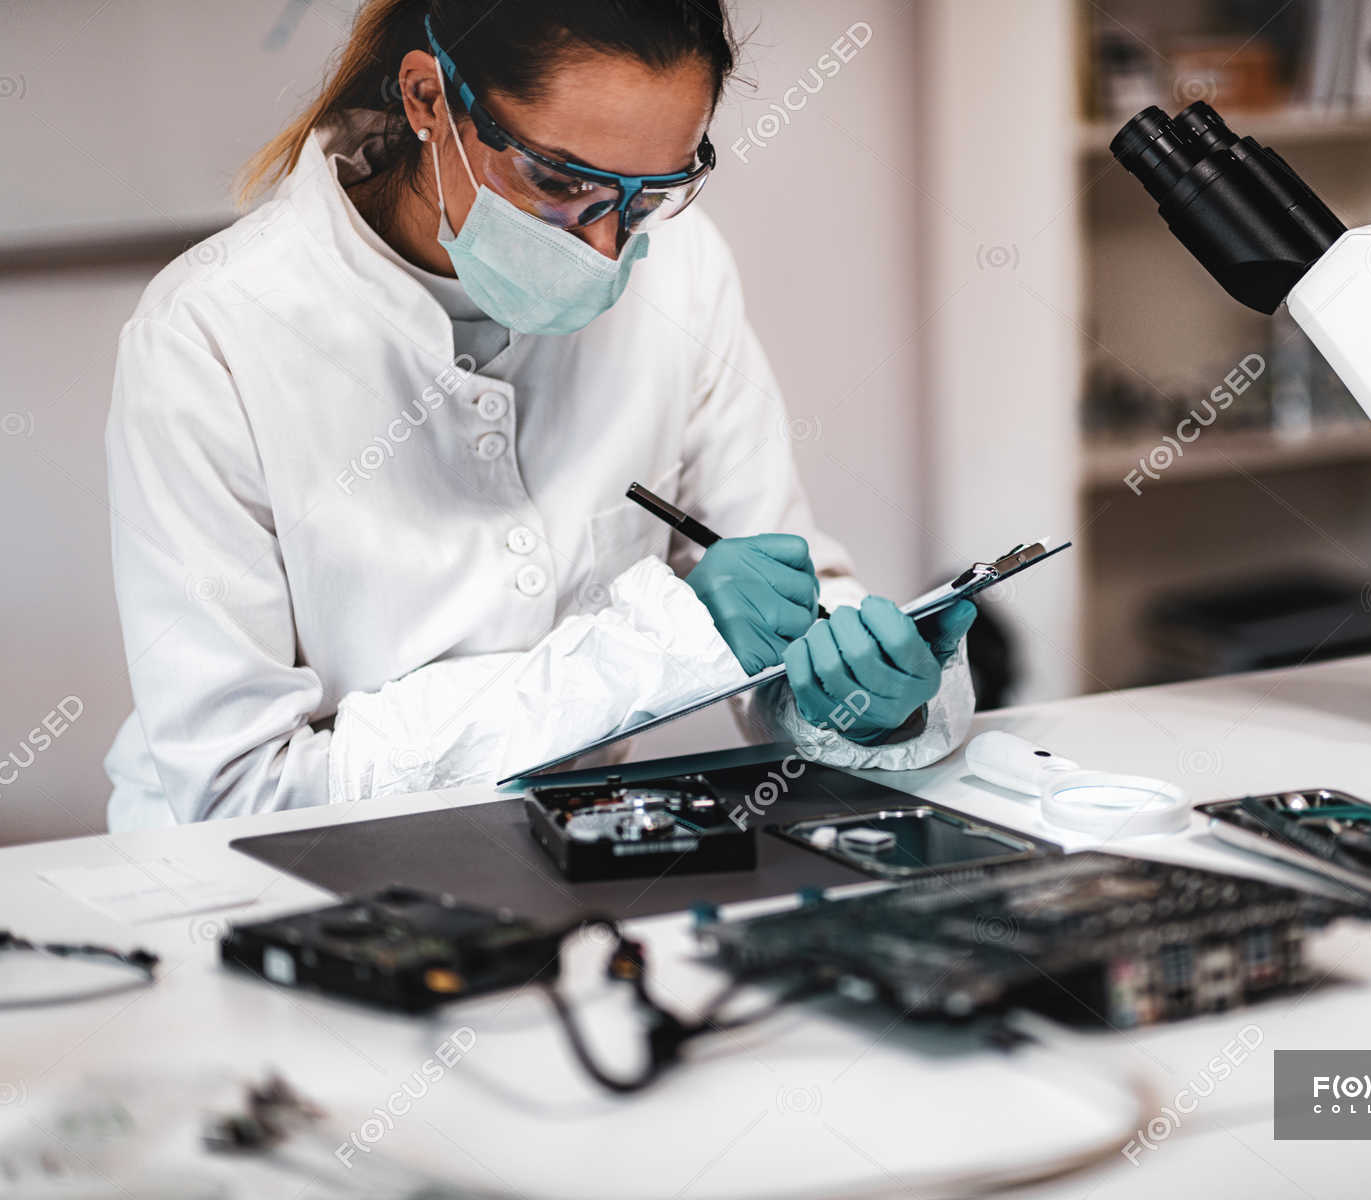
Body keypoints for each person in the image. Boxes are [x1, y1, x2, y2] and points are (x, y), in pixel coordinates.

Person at [102, 0, 976, 829]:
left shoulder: (681, 271)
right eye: (560, 180)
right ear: (428, 98)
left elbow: (775, 619)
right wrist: (652, 644)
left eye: (653, 191)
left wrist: (858, 698)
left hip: (575, 863)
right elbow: (241, 792)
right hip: (263, 896)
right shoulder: (210, 333)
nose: (605, 246)